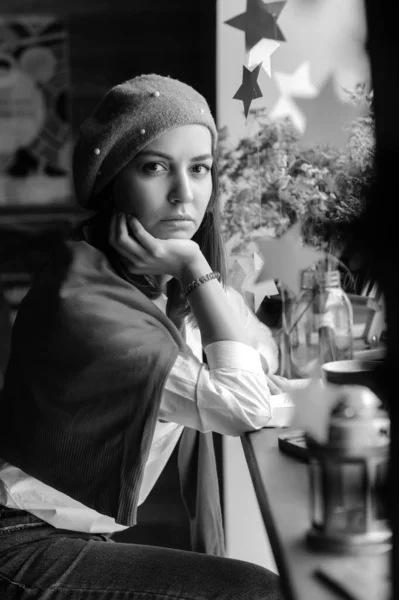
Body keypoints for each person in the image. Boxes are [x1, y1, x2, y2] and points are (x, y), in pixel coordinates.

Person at [0, 74, 291, 599]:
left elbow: (257, 354)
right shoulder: (88, 303)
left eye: (200, 169)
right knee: (259, 593)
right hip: (18, 541)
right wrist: (194, 263)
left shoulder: (155, 283)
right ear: (114, 181)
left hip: (57, 533)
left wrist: (195, 277)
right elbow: (243, 404)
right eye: (156, 167)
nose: (185, 193)